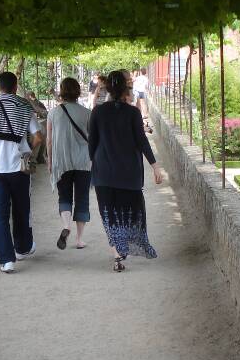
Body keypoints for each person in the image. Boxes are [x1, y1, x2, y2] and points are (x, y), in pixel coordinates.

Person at [88, 72, 163, 272]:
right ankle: (122, 248)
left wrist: (94, 165)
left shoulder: (97, 112)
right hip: (129, 173)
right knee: (128, 211)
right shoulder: (133, 113)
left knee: (109, 214)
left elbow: (92, 144)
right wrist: (155, 166)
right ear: (125, 89)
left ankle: (117, 254)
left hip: (104, 172)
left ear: (107, 89)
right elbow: (142, 141)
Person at [0, 72, 43, 274]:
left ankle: (6, 260)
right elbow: (38, 137)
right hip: (19, 168)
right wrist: (27, 152)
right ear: (15, 87)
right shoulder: (24, 107)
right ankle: (22, 248)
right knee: (22, 209)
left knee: (0, 214)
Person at [46, 77, 92, 251]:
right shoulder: (87, 113)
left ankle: (66, 226)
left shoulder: (53, 113)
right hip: (83, 162)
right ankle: (79, 240)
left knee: (64, 196)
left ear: (62, 91)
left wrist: (50, 161)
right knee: (82, 198)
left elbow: (49, 141)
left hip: (62, 161)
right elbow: (93, 138)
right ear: (78, 91)